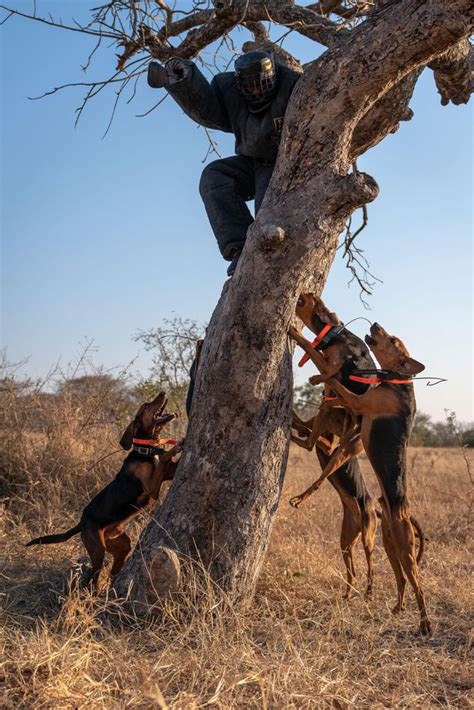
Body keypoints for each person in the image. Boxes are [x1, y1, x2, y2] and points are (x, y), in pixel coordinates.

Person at [148, 51, 300, 276]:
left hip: (283, 163)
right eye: (250, 87)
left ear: (273, 77)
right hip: (251, 161)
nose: (256, 91)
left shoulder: (294, 85)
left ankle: (271, 255)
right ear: (240, 84)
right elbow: (209, 111)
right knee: (214, 176)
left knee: (268, 217)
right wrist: (184, 79)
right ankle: (240, 249)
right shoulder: (229, 89)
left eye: (262, 84)